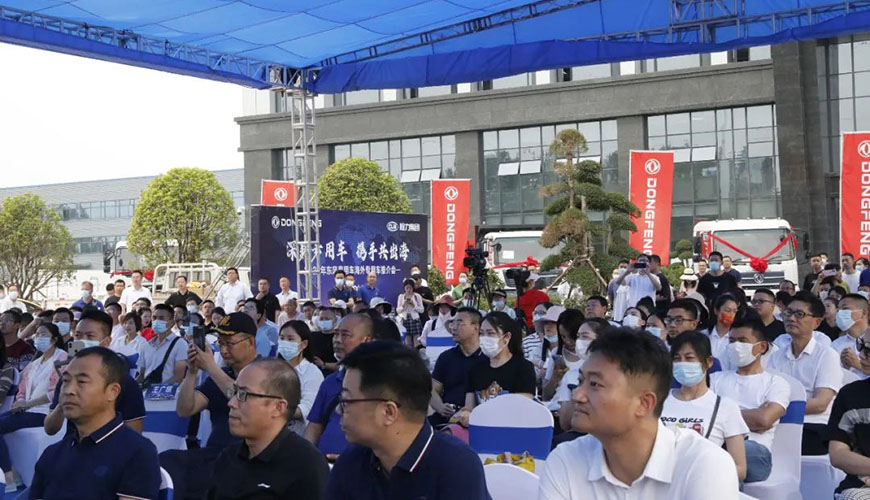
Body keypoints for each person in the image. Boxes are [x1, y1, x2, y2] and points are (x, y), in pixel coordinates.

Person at [538, 329, 739, 499]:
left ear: (644, 403)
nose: (577, 395)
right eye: (581, 381)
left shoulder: (705, 464)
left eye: (595, 384)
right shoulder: (565, 459)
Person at [326, 342, 489, 499]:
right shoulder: (351, 463)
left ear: (389, 412)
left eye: (346, 401)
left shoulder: (456, 466)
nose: (338, 410)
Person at [31, 347, 161, 500]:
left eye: (82, 382)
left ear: (112, 391)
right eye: (66, 381)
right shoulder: (53, 454)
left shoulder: (138, 452)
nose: (68, 390)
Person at [162, 312, 258, 500]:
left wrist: (211, 367)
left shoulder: (267, 371)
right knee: (166, 462)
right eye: (220, 343)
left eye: (230, 343)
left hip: (248, 455)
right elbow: (184, 410)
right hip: (215, 453)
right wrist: (192, 372)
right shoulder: (219, 376)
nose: (224, 350)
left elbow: (247, 403)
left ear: (251, 342)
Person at [206, 359, 329, 500]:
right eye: (235, 392)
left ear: (278, 407)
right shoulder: (228, 457)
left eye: (243, 395)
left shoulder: (306, 465)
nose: (231, 403)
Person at [661, 331, 749, 482]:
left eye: (689, 358)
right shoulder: (659, 401)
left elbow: (740, 469)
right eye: (677, 359)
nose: (682, 363)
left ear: (708, 362)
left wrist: (703, 475)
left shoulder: (725, 407)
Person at [711, 315, 790, 483]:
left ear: (761, 347)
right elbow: (702, 414)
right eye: (732, 341)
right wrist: (750, 416)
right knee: (718, 460)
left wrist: (720, 417)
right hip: (717, 445)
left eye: (742, 341)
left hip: (755, 452)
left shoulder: (776, 383)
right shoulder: (715, 379)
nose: (735, 346)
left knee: (722, 452)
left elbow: (763, 420)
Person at [43, 309, 146, 436]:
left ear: (106, 342)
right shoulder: (67, 379)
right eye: (78, 335)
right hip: (73, 445)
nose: (81, 341)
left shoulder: (125, 383)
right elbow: (50, 429)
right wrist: (61, 405)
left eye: (90, 336)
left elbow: (134, 434)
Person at [768, 290, 842, 455]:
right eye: (788, 313)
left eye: (799, 314)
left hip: (813, 426)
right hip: (778, 424)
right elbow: (767, 396)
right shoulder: (776, 356)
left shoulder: (827, 355)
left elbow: (820, 404)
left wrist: (776, 408)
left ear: (817, 322)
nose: (791, 318)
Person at [0, 322, 67, 481]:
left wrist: (27, 404)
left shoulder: (62, 358)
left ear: (54, 339)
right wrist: (20, 401)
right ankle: (10, 471)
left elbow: (56, 393)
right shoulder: (35, 362)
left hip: (46, 412)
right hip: (28, 409)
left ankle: (8, 474)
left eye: (43, 334)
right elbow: (22, 388)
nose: (38, 337)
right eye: (37, 334)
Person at [305, 313, 374, 458]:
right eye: (336, 334)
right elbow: (315, 425)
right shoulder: (330, 382)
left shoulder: (380, 383)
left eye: (345, 335)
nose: (337, 340)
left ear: (366, 340)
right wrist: (307, 458)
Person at [454, 312, 536, 426]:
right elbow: (469, 408)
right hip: (481, 428)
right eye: (482, 333)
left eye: (491, 333)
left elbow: (523, 407)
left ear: (506, 337)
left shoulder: (524, 368)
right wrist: (465, 415)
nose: (484, 338)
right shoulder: (475, 369)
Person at [827, 327, 870, 499]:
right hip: (861, 487)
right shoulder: (850, 395)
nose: (861, 355)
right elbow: (838, 455)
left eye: (869, 350)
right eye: (861, 346)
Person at [429, 307, 485, 427]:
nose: (453, 328)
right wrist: (441, 408)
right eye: (453, 323)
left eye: (459, 323)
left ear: (476, 328)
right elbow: (432, 390)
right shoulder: (446, 357)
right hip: (447, 419)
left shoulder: (488, 358)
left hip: (477, 420)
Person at [277, 320, 325, 435]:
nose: (285, 342)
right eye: (282, 338)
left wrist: (275, 410)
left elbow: (308, 408)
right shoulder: (274, 368)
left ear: (303, 344)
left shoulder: (312, 372)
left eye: (290, 339)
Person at [137, 303, 188, 385]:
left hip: (168, 391)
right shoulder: (146, 345)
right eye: (154, 318)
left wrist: (158, 389)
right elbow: (141, 374)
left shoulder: (180, 344)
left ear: (171, 323)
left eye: (161, 318)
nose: (156, 321)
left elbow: (179, 377)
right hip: (146, 390)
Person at [542, 309, 586, 404]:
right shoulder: (556, 353)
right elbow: (545, 395)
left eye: (572, 337)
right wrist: (555, 377)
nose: (568, 341)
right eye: (563, 337)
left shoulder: (591, 356)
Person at [832, 294, 870, 380]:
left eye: (845, 309)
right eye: (838, 310)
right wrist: (845, 367)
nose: (840, 313)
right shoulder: (836, 344)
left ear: (863, 313)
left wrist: (859, 365)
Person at [707, 294, 739, 369]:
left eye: (735, 311)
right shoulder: (704, 335)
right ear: (716, 311)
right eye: (727, 310)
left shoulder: (737, 338)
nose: (731, 314)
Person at [396, 278, 425, 348]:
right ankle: (408, 354)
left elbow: (422, 310)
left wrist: (414, 305)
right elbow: (398, 310)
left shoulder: (417, 296)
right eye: (407, 288)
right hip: (404, 320)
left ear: (413, 288)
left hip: (415, 320)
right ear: (404, 288)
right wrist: (403, 305)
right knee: (407, 342)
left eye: (410, 288)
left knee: (417, 342)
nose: (408, 290)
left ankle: (417, 354)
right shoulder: (401, 296)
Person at [310, 307, 340, 373]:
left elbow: (343, 365)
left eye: (327, 319)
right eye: (321, 319)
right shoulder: (312, 336)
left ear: (335, 320)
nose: (324, 321)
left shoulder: (340, 338)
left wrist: (324, 364)